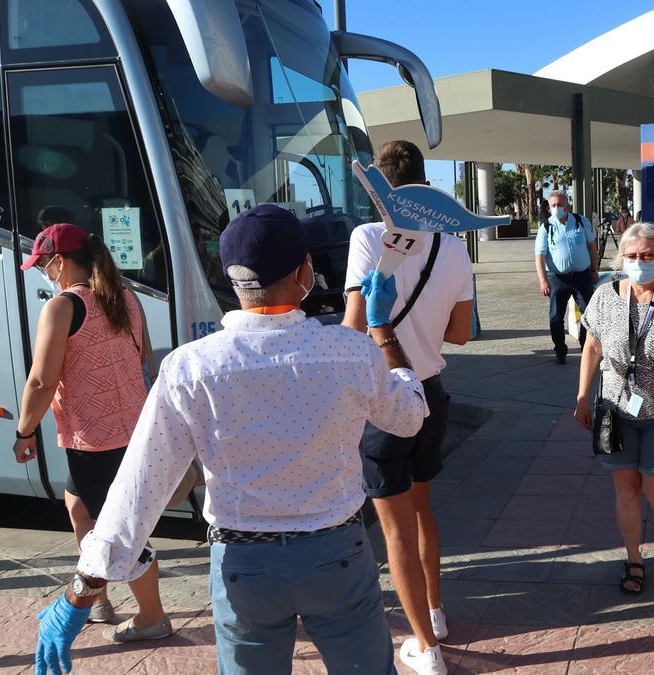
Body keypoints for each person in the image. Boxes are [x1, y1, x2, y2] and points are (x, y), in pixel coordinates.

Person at [32, 204, 428, 675]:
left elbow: (140, 487)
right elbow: (408, 418)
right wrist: (382, 329)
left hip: (244, 565)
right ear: (305, 273)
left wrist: (82, 592)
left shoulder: (190, 367)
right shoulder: (351, 351)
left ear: (234, 281)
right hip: (336, 557)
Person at [342, 140, 473, 675]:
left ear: (383, 189)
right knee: (422, 509)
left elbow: (354, 329)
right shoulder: (453, 245)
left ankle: (425, 647)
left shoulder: (369, 237)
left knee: (392, 527)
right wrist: (422, 331)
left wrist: (386, 317)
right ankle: (435, 613)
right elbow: (461, 333)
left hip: (382, 398)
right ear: (423, 184)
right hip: (431, 394)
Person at [12, 222, 171, 643]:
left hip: (94, 439)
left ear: (60, 262)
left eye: (44, 265)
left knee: (122, 530)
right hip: (129, 430)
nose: (44, 273)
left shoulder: (63, 306)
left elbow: (41, 381)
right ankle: (98, 597)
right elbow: (143, 360)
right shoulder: (126, 297)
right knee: (79, 507)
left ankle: (152, 615)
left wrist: (24, 430)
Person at [573, 222, 654, 596]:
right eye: (632, 256)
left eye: (648, 255)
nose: (640, 262)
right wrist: (583, 396)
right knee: (626, 489)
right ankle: (633, 558)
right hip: (616, 410)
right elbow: (592, 349)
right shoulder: (603, 297)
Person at [535, 190, 598, 364]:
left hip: (582, 277)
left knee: (590, 314)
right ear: (549, 207)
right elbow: (539, 256)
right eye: (553, 205)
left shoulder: (580, 221)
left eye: (560, 205)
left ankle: (586, 346)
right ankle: (560, 350)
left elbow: (592, 246)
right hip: (558, 278)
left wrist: (594, 269)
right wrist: (543, 280)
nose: (557, 208)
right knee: (556, 317)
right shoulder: (546, 227)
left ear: (567, 205)